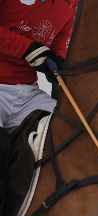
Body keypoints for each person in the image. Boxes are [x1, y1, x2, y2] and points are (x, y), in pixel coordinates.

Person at [0, 0, 77, 132]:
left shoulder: (72, 2)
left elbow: (63, 32)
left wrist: (58, 59)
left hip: (28, 96)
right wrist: (27, 49)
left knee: (68, 131)